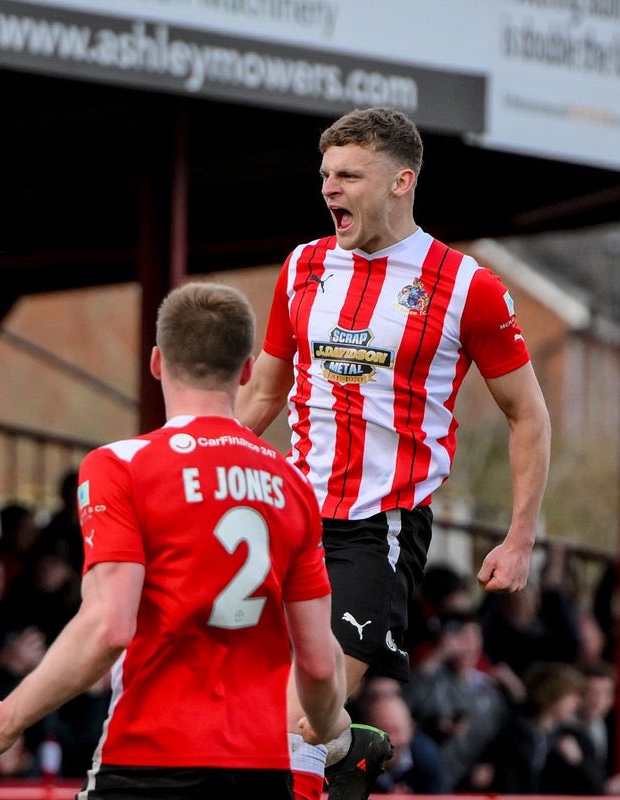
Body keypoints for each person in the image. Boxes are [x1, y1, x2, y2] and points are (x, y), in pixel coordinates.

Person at [236, 105, 552, 800]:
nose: (331, 189)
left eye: (349, 174)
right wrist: (187, 465)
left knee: (291, 729)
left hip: (378, 528)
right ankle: (348, 750)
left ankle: (332, 747)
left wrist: (520, 536)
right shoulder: (303, 267)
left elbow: (527, 413)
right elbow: (262, 393)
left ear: (401, 181)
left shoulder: (467, 286)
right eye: (325, 175)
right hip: (290, 519)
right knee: (248, 723)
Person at [0, 283, 348, 800]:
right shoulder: (292, 485)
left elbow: (108, 625)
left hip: (151, 758)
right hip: (260, 769)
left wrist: (9, 716)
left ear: (157, 362)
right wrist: (325, 724)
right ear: (248, 369)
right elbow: (320, 663)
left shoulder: (121, 466)